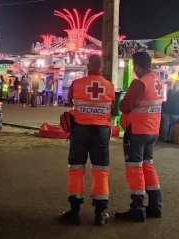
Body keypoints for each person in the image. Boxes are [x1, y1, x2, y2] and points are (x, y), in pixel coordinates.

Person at [60, 54, 115, 226]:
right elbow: (112, 106)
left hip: (80, 131)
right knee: (101, 171)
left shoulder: (77, 84)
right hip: (101, 132)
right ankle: (100, 213)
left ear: (87, 65)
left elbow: (69, 101)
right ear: (103, 67)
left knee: (76, 169)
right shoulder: (110, 86)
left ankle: (74, 212)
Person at [117, 52, 163, 222]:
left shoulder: (140, 83)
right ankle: (155, 206)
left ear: (137, 66)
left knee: (134, 169)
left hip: (137, 131)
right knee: (148, 166)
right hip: (152, 130)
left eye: (134, 67)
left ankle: (137, 208)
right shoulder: (158, 80)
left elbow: (124, 106)